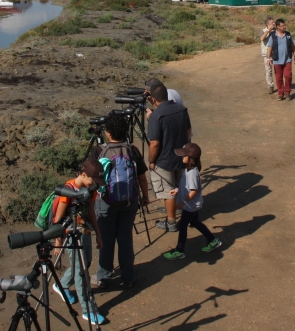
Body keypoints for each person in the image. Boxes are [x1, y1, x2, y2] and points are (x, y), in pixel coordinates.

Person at [91, 112, 150, 290]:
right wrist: (145, 197)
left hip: (106, 202)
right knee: (125, 239)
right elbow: (141, 178)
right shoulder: (132, 150)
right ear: (125, 131)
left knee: (106, 240)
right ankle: (128, 276)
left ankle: (104, 276)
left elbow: (91, 178)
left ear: (107, 132)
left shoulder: (100, 151)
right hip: (129, 202)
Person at [52, 159, 107, 326]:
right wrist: (58, 239)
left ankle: (61, 285)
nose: (95, 185)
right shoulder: (67, 190)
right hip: (70, 234)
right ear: (83, 174)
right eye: (93, 180)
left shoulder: (91, 190)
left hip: (85, 231)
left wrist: (98, 234)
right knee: (81, 272)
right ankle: (88, 310)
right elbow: (59, 218)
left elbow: (91, 213)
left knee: (86, 263)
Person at [162, 143, 222, 260]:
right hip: (193, 205)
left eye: (184, 155)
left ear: (191, 158)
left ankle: (180, 250)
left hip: (191, 205)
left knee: (182, 225)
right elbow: (187, 186)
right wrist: (177, 190)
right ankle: (212, 240)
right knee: (195, 222)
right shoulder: (188, 169)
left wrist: (183, 202)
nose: (181, 157)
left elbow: (193, 191)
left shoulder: (192, 173)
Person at [146, 84, 192, 231]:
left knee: (168, 192)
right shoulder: (181, 109)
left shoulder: (156, 116)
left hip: (163, 160)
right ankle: (183, 213)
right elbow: (188, 131)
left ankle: (171, 222)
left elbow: (154, 144)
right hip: (181, 155)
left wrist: (151, 161)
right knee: (178, 188)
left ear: (153, 99)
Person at [266, 18, 295, 101]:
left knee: (288, 76)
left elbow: (292, 45)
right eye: (282, 26)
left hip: (287, 59)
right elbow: (269, 48)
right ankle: (281, 93)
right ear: (277, 26)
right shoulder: (273, 36)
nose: (284, 27)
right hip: (277, 60)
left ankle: (288, 92)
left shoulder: (288, 35)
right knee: (279, 78)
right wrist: (268, 58)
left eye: (285, 25)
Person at [260, 17, 276, 94]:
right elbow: (262, 38)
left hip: (276, 53)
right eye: (272, 22)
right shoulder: (263, 31)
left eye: (274, 22)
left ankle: (280, 85)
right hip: (266, 54)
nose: (274, 23)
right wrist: (268, 31)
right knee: (268, 70)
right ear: (267, 24)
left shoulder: (277, 30)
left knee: (278, 69)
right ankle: (270, 86)